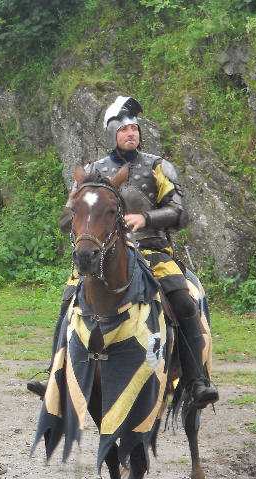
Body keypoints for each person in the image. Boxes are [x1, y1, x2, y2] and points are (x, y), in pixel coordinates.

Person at [27, 95, 219, 409]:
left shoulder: (158, 167)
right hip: (104, 255)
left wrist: (146, 218)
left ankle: (197, 380)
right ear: (112, 134)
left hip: (152, 250)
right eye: (124, 129)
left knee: (184, 301)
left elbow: (179, 213)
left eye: (134, 128)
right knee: (68, 299)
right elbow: (66, 217)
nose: (131, 133)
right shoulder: (92, 172)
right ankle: (55, 375)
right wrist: (85, 219)